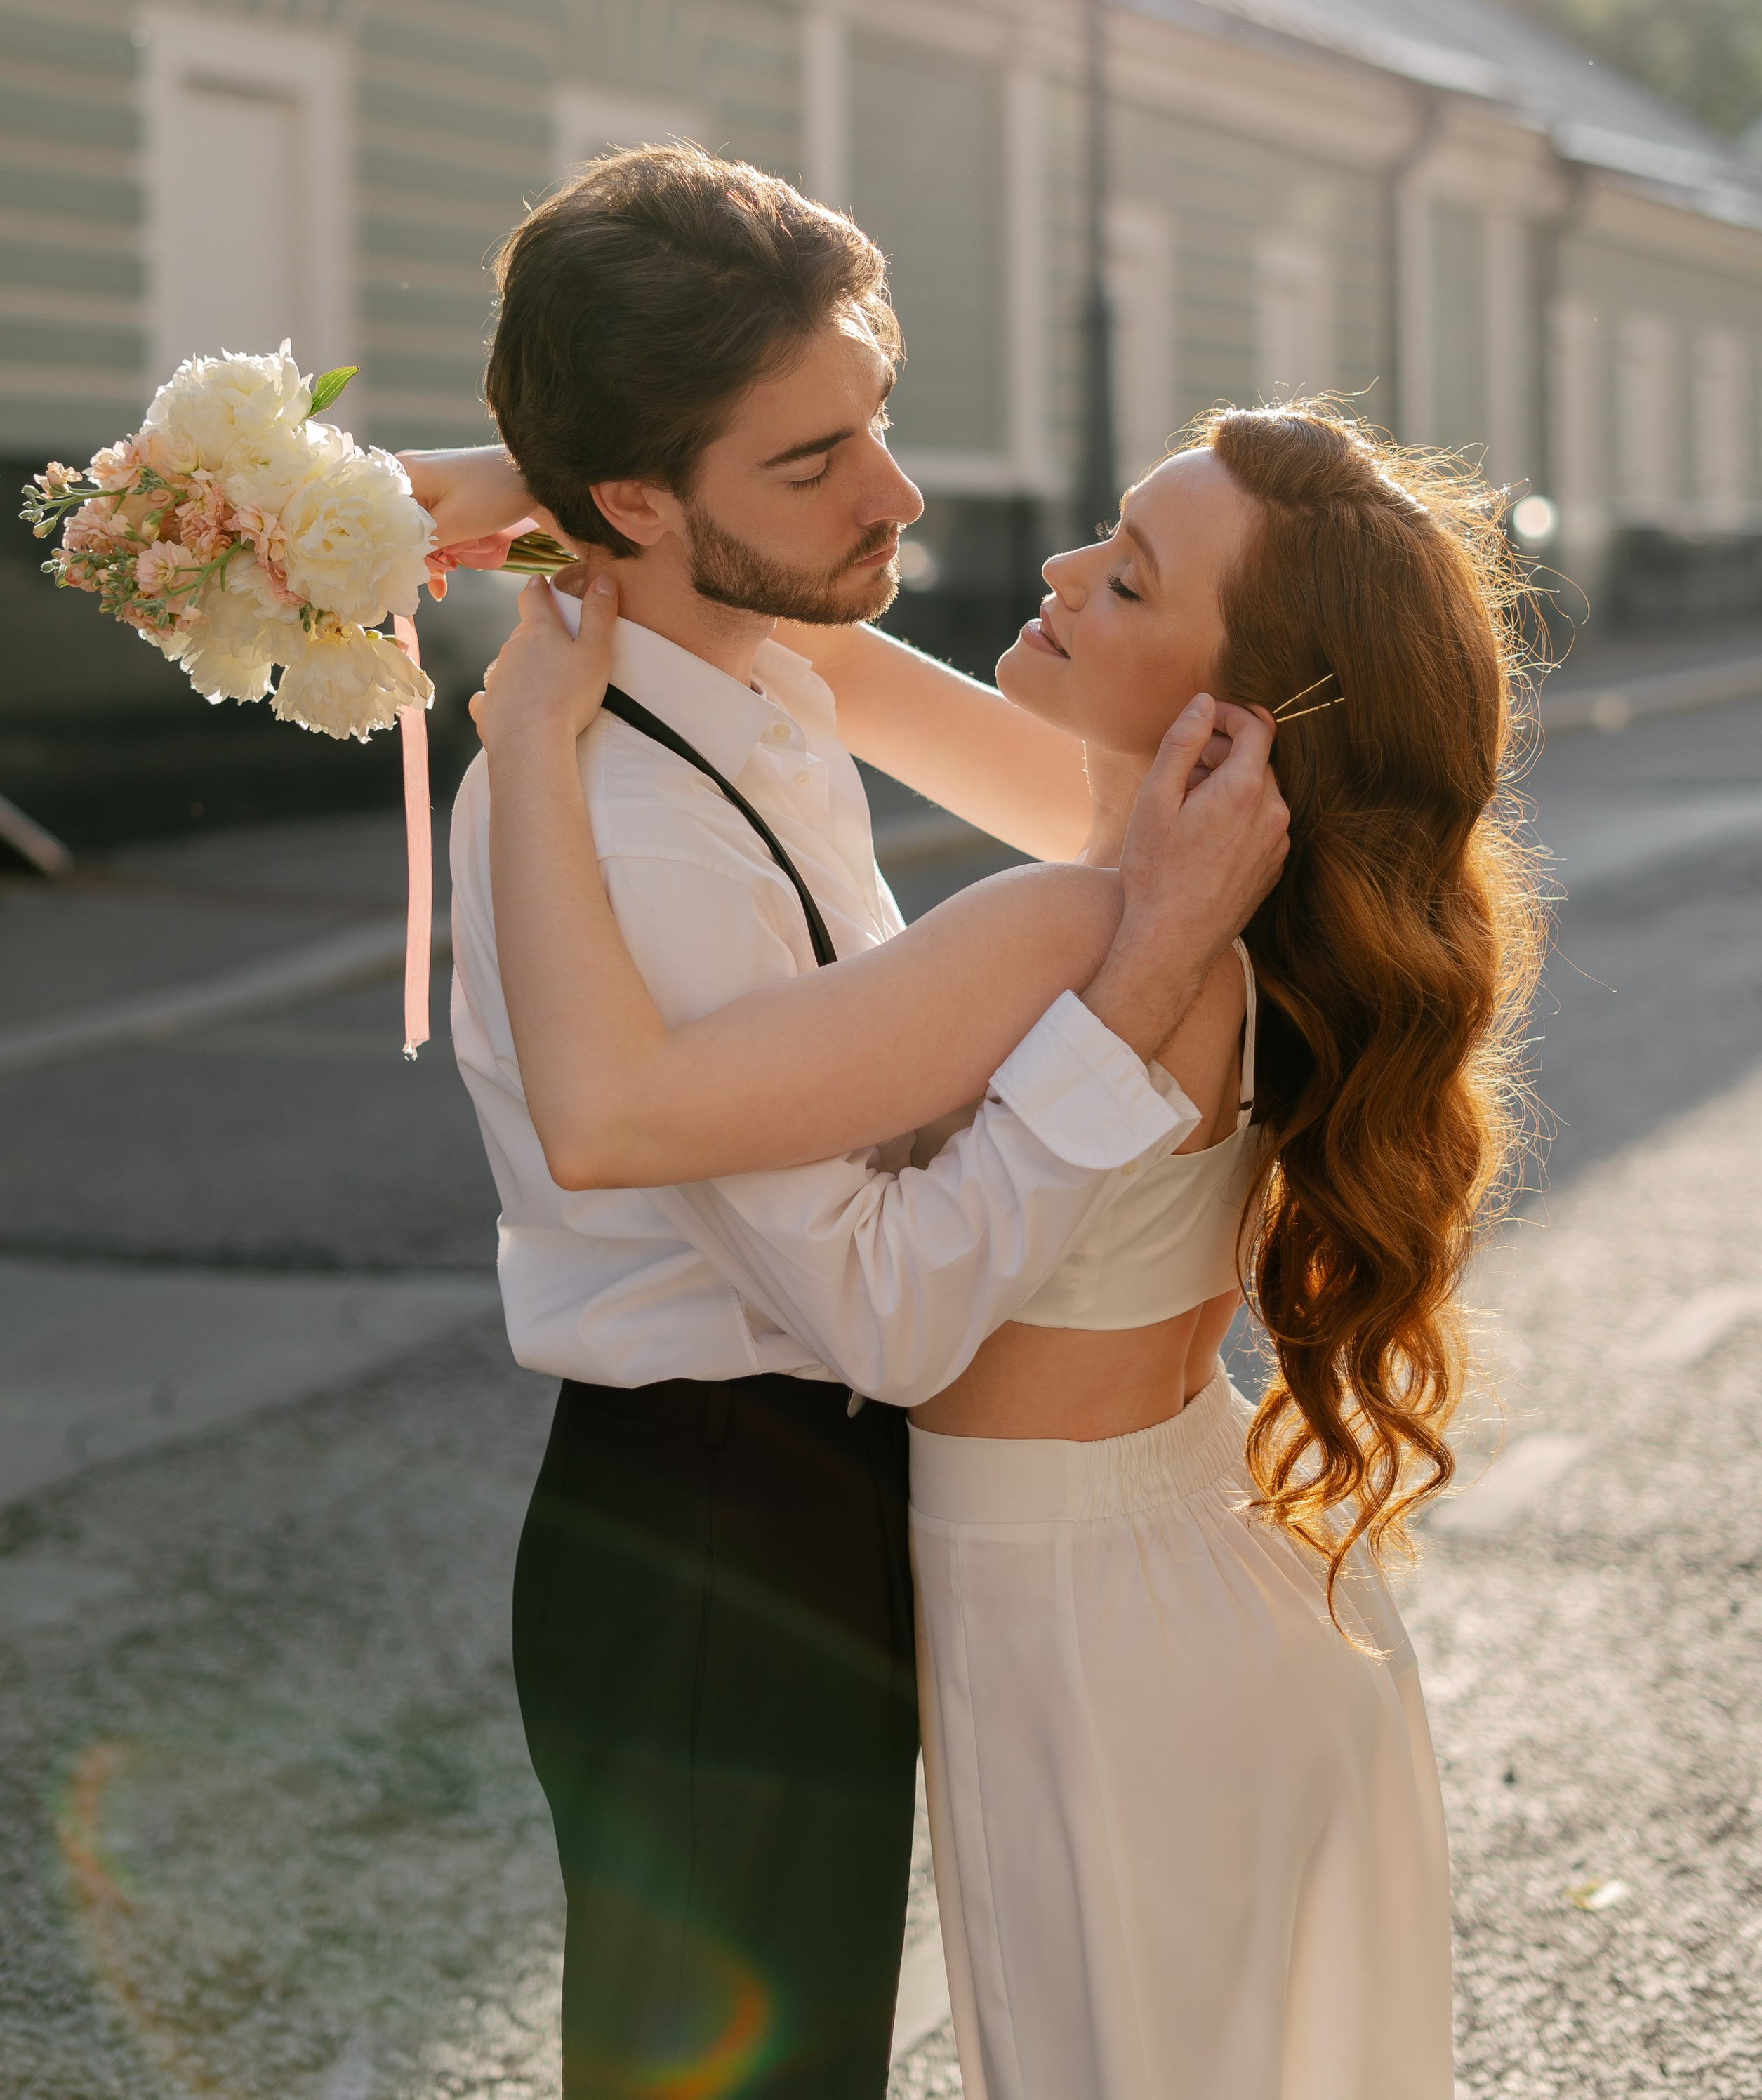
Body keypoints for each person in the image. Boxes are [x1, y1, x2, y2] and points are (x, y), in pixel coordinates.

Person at [463, 386, 1544, 2100]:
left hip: (1098, 1636)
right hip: (1175, 1589)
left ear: (1229, 714)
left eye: (1124, 579)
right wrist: (555, 492)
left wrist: (526, 736)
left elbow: (626, 1107)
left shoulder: (1080, 916)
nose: (1057, 565)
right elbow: (815, 642)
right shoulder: (1171, 880)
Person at [402, 145, 1290, 2100]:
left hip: (804, 1512)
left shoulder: (746, 677)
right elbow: (881, 1317)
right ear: (646, 496)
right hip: (722, 1526)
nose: (895, 493)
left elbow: (1044, 789)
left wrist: (535, 507)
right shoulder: (621, 812)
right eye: (814, 465)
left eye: (874, 423)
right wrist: (1119, 1031)